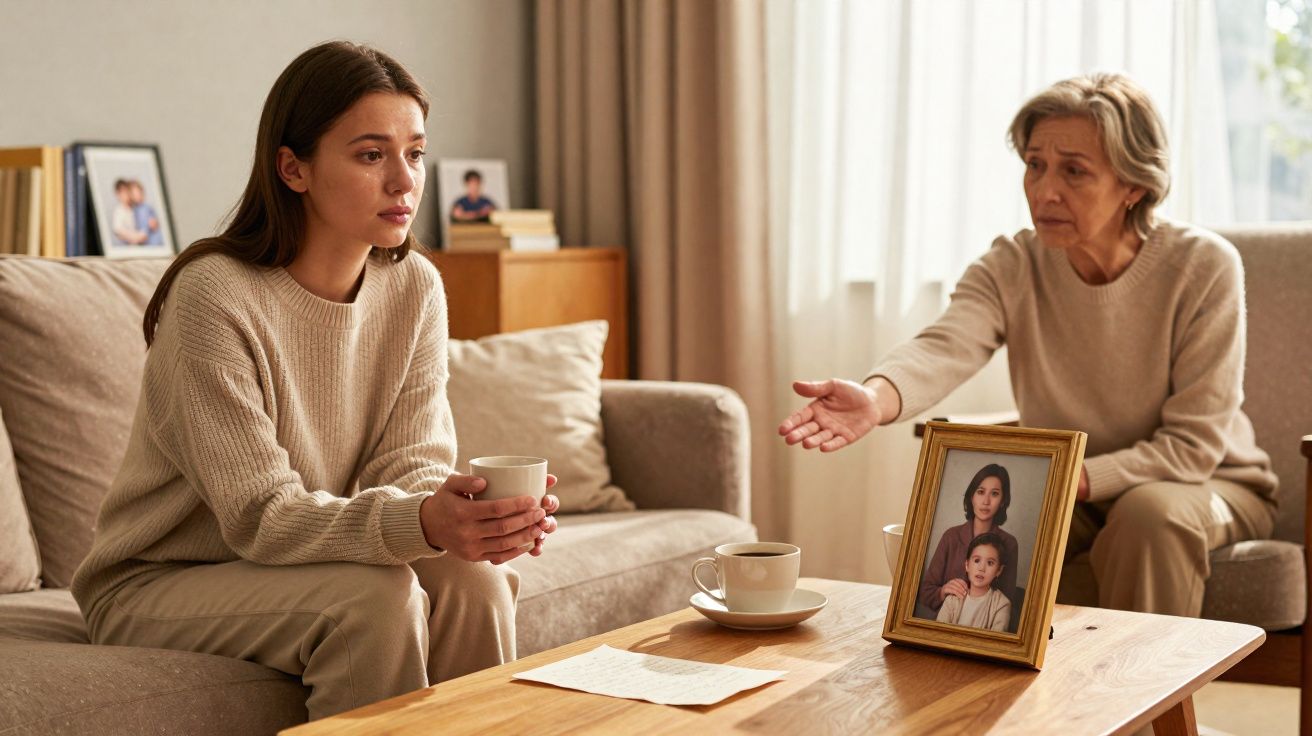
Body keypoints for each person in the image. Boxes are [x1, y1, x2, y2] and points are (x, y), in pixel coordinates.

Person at [69, 41, 561, 721]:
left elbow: (410, 466)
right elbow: (260, 517)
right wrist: (423, 520)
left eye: (414, 153)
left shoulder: (414, 286)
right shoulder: (213, 296)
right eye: (370, 155)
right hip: (164, 581)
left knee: (475, 580)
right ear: (293, 169)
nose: (404, 181)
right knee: (374, 600)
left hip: (305, 562)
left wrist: (467, 523)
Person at [779, 72, 1277, 619]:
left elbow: (1194, 444)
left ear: (1135, 185)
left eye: (1074, 171)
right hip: (1077, 484)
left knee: (1147, 517)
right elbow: (946, 345)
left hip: (1204, 482)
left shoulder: (1203, 266)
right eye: (1035, 165)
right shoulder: (1013, 263)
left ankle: (1150, 702)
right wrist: (876, 398)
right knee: (980, 532)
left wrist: (1069, 478)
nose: (1044, 191)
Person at [918, 464, 1019, 615]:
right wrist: (943, 591)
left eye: (995, 494)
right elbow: (925, 592)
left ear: (1003, 501)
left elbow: (1007, 602)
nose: (986, 501)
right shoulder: (950, 537)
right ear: (971, 496)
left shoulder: (1009, 544)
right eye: (980, 492)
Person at [936, 533, 1012, 632]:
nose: (981, 568)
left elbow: (993, 644)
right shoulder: (952, 599)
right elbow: (938, 634)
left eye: (990, 563)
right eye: (977, 560)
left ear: (999, 570)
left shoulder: (1002, 605)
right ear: (967, 565)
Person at [110, 179, 146, 245]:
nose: (126, 194)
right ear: (118, 194)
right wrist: (135, 237)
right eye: (122, 192)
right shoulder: (119, 211)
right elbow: (118, 230)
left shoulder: (135, 208)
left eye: (127, 191)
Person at [129, 180, 163, 245]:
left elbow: (145, 233)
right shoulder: (135, 210)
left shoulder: (146, 209)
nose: (136, 196)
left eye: (138, 192)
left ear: (142, 192)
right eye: (133, 194)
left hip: (154, 244)